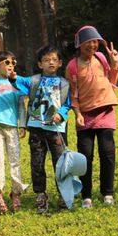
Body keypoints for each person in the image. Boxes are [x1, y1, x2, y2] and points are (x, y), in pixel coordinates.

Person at [66, 25, 118, 207]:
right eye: (88, 42)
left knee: (107, 153)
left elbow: (112, 80)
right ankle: (86, 195)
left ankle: (108, 193)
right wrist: (77, 113)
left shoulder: (101, 57)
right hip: (85, 116)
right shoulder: (72, 67)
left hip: (105, 111)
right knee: (85, 155)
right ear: (79, 44)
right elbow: (73, 94)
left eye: (95, 41)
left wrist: (114, 63)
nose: (92, 45)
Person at [0, 43, 31, 213]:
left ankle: (16, 192)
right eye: (6, 63)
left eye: (12, 63)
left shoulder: (17, 84)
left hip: (12, 129)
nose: (10, 66)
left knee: (15, 160)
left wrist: (22, 124)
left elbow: (21, 106)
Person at [25, 45, 72, 213]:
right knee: (37, 163)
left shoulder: (64, 83)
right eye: (46, 60)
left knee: (60, 163)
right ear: (39, 64)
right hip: (36, 128)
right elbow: (19, 83)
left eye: (54, 59)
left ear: (60, 63)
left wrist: (61, 114)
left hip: (57, 129)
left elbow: (68, 104)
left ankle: (63, 196)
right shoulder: (34, 81)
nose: (50, 62)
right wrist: (13, 77)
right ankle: (40, 195)